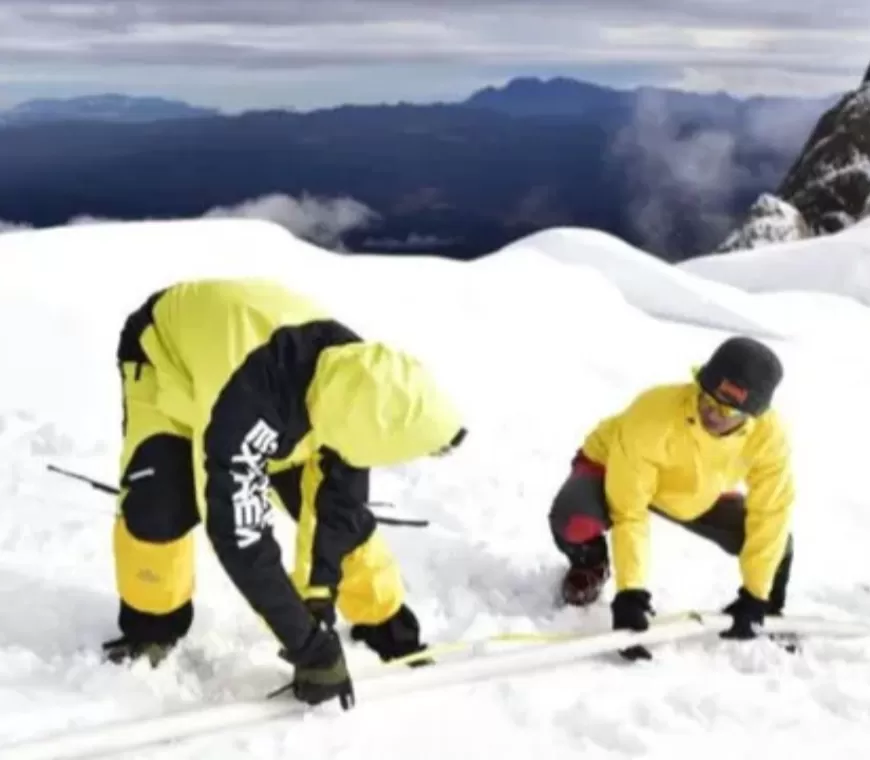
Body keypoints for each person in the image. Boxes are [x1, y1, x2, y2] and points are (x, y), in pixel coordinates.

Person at [101, 277, 467, 710]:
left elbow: (337, 513)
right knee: (158, 505)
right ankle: (152, 627)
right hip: (167, 362)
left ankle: (382, 622)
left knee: (342, 519)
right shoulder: (248, 406)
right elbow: (241, 535)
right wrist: (308, 644)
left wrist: (323, 605)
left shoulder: (364, 384)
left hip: (268, 388)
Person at [547, 335, 795, 659]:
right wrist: (630, 595)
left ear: (752, 415)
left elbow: (771, 512)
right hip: (613, 468)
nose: (712, 413)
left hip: (694, 489)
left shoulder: (769, 438)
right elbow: (629, 512)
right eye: (707, 399)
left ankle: (766, 611)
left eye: (727, 410)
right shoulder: (653, 414)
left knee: (779, 544)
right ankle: (591, 563)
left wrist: (755, 593)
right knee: (574, 520)